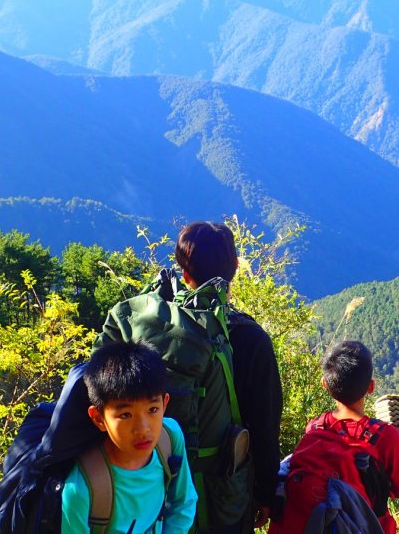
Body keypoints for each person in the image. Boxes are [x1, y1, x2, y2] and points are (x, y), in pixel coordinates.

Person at [96, 221, 283, 534]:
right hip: (222, 498)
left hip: (147, 489)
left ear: (184, 272)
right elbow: (264, 427)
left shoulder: (148, 327)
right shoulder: (250, 339)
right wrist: (266, 494)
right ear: (235, 268)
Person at [61, 341, 197, 534]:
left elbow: (184, 501)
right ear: (98, 418)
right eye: (126, 415)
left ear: (165, 404)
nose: (143, 429)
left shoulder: (169, 437)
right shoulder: (81, 487)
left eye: (153, 409)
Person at [313, 340, 399, 534]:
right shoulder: (385, 435)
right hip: (372, 526)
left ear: (325, 384)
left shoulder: (315, 428)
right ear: (371, 387)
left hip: (324, 526)